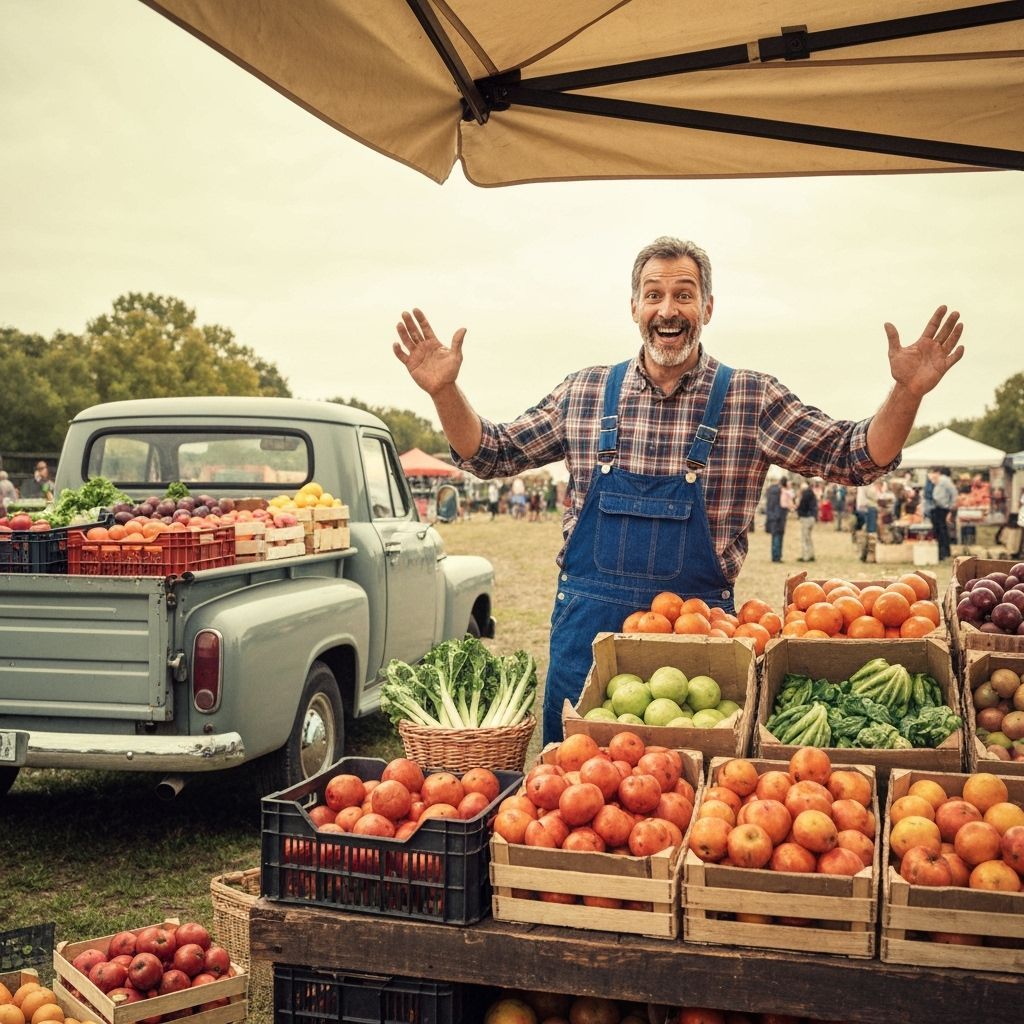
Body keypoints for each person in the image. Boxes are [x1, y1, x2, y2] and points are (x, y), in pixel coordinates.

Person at [392, 236, 965, 743]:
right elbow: (490, 453)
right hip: (589, 636)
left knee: (691, 795)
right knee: (572, 791)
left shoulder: (750, 397)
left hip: (701, 644)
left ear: (708, 308)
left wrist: (907, 394)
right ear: (634, 307)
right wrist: (445, 391)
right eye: (654, 294)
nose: (668, 309)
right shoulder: (585, 392)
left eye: (684, 294)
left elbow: (855, 454)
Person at [928, 465, 959, 560]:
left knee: (941, 532)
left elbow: (940, 496)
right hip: (942, 508)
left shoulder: (943, 480)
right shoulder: (945, 481)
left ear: (938, 472)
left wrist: (948, 506)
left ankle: (943, 553)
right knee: (943, 531)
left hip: (941, 508)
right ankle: (944, 553)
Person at [764, 475, 788, 563]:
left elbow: (770, 505)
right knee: (778, 537)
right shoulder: (779, 491)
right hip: (778, 517)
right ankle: (777, 557)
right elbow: (780, 505)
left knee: (775, 536)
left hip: (772, 516)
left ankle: (775, 556)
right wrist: (778, 516)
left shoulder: (770, 490)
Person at [797, 479, 821, 562]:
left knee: (805, 538)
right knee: (809, 538)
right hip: (812, 518)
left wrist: (799, 513)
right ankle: (811, 555)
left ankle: (805, 556)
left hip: (806, 518)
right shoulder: (812, 493)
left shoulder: (806, 493)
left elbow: (802, 506)